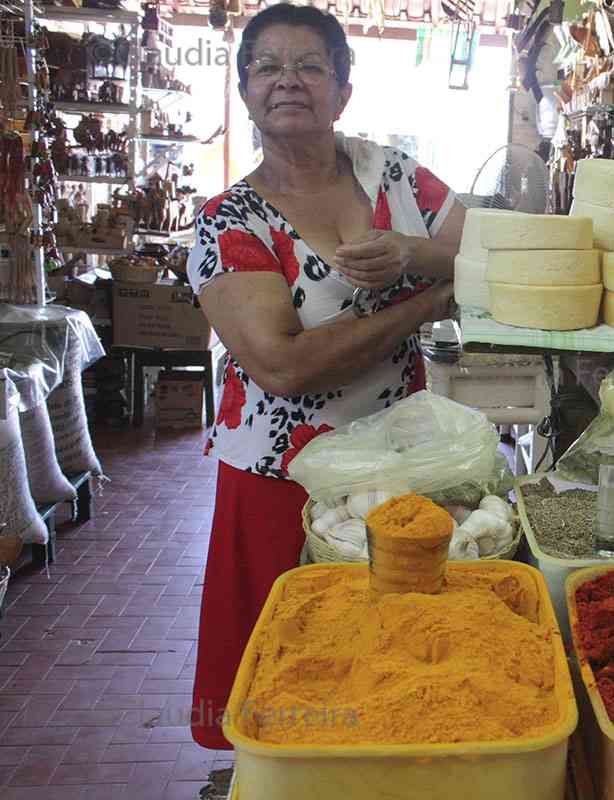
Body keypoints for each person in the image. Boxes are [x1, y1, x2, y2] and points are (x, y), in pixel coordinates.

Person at [185, 2, 461, 749]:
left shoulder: (397, 177)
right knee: (284, 679)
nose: (288, 81)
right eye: (267, 66)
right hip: (284, 478)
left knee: (382, 667)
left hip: (396, 464)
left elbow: (486, 255)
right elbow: (282, 365)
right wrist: (427, 302)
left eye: (310, 65)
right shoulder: (228, 221)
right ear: (244, 89)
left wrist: (412, 254)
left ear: (343, 89)